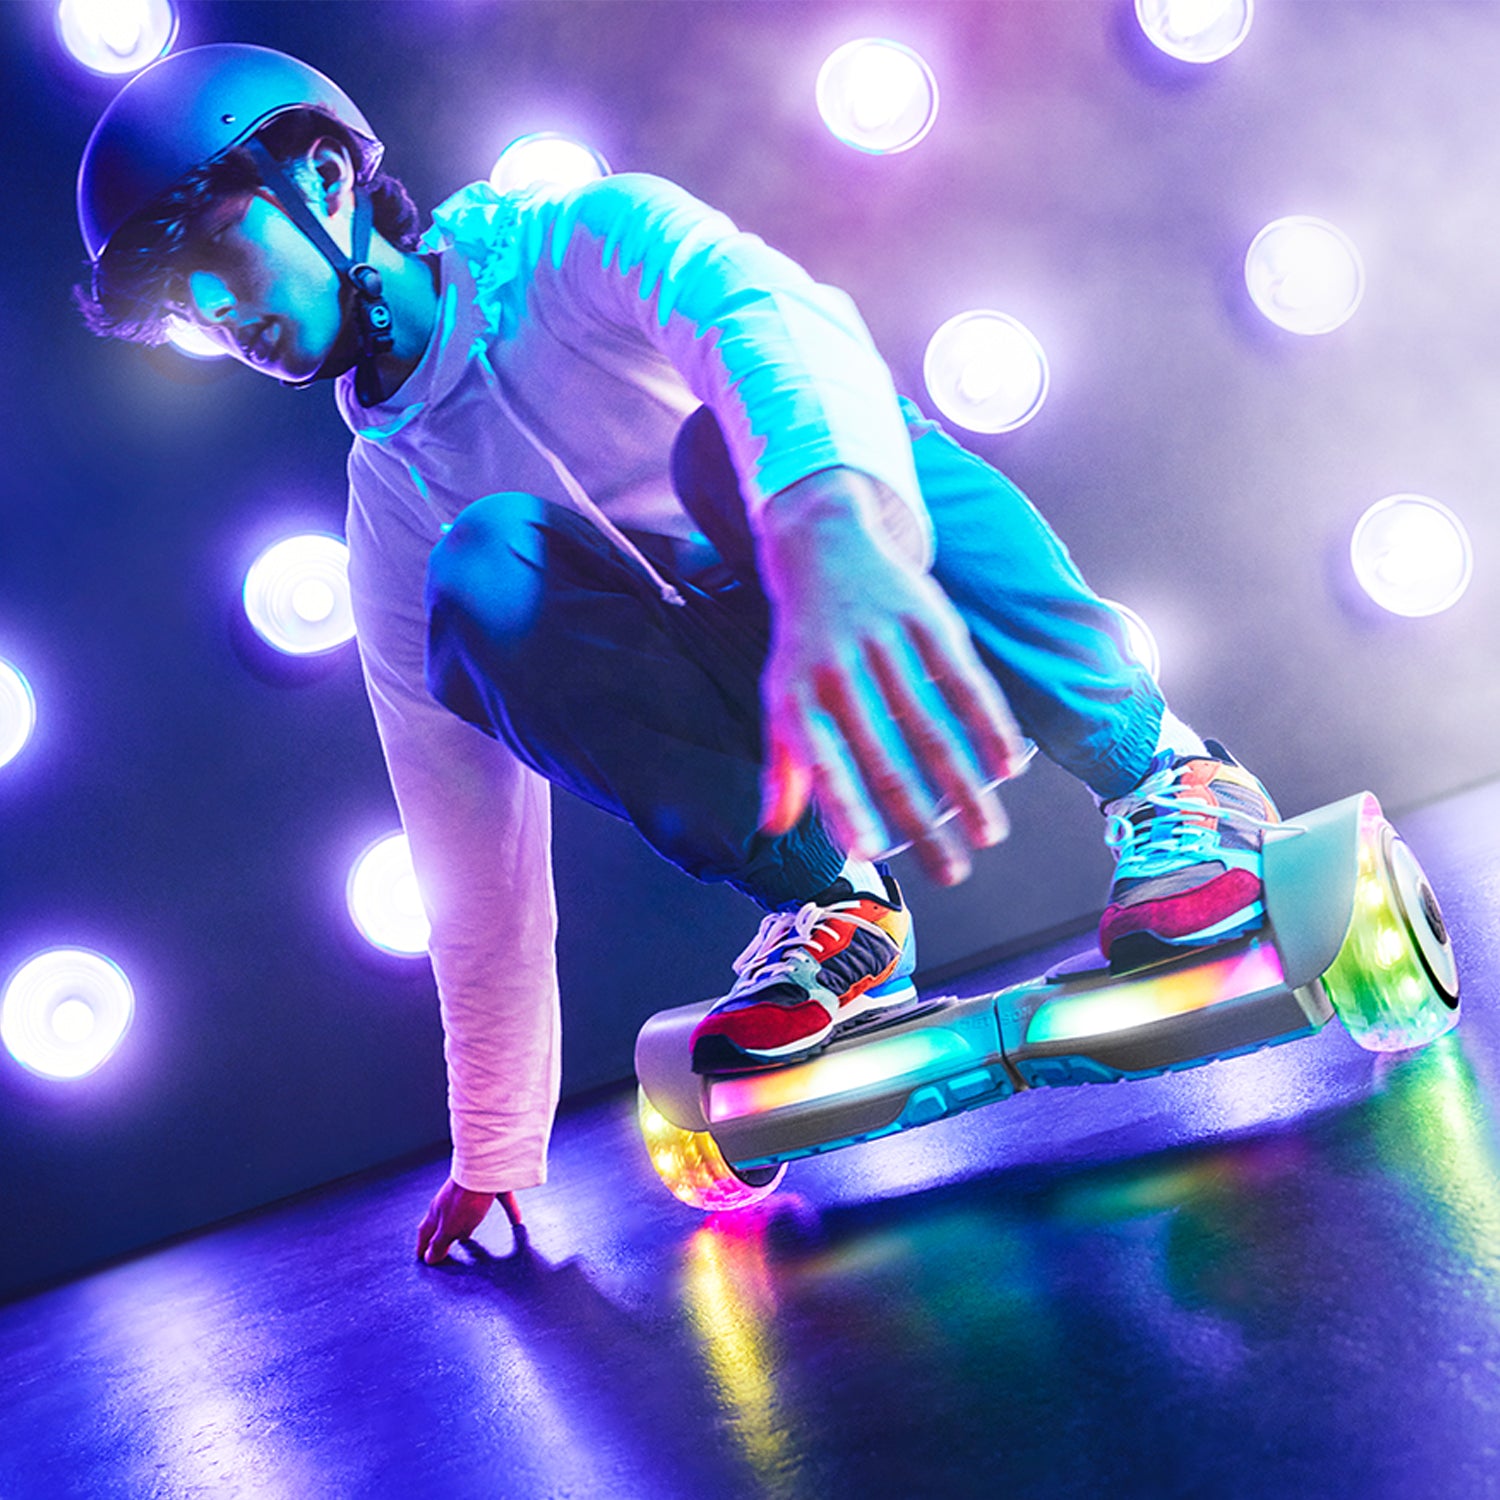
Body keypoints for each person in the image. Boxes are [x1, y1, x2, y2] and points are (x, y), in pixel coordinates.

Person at [75, 44, 1280, 1263]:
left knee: (753, 438)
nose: (218, 319)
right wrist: (493, 1145)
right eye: (187, 305)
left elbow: (772, 321)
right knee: (485, 574)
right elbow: (462, 845)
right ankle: (837, 915)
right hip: (779, 748)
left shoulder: (574, 243)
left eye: (214, 257)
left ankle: (1165, 774)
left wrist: (827, 540)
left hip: (906, 605)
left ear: (326, 176)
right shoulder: (393, 508)